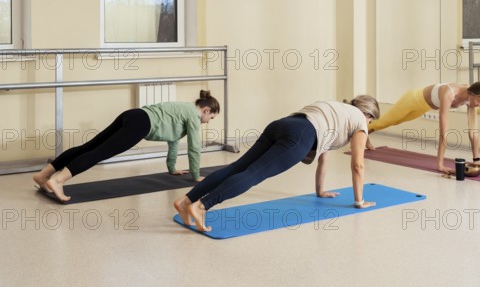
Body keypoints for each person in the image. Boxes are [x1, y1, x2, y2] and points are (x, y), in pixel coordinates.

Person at [173, 95, 380, 232]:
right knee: (254, 174)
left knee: (237, 167)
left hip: (281, 125)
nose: (368, 125)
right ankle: (201, 206)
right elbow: (357, 165)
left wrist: (320, 191)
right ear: (368, 115)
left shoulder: (338, 110)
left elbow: (323, 157)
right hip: (300, 136)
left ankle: (185, 201)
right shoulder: (360, 121)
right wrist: (359, 202)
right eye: (371, 121)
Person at [33, 90, 220, 202]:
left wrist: (172, 169)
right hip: (141, 123)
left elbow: (173, 141)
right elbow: (194, 147)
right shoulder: (193, 117)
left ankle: (43, 175)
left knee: (89, 146)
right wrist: (196, 176)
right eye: (210, 118)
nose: (208, 122)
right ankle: (58, 181)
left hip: (133, 114)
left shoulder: (183, 109)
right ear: (206, 110)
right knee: (99, 153)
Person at [366, 82, 480, 175]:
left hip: (424, 106)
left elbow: (473, 130)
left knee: (397, 121)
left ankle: (367, 132)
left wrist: (476, 160)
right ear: (471, 94)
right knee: (388, 121)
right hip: (413, 99)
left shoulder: (471, 98)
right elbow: (443, 132)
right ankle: (364, 131)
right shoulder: (449, 93)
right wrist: (440, 165)